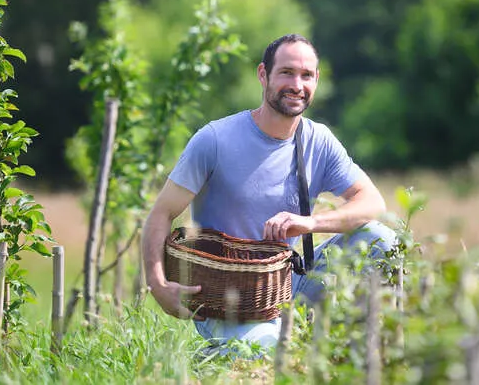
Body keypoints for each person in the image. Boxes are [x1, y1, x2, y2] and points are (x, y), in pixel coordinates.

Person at [141, 33, 396, 350]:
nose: (297, 85)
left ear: (316, 80)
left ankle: (359, 345)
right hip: (226, 300)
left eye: (306, 75)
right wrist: (157, 284)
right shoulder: (214, 140)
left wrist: (311, 223)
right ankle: (225, 351)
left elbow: (372, 202)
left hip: (288, 283)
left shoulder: (319, 140)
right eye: (286, 73)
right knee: (272, 352)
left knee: (383, 241)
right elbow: (161, 214)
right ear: (263, 75)